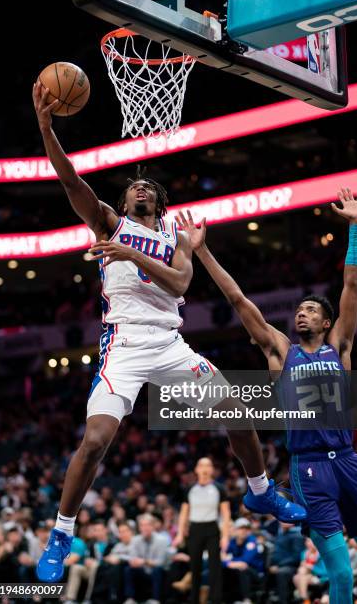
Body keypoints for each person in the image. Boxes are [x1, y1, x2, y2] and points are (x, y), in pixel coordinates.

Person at [32, 81, 306, 583]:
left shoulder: (176, 238)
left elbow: (181, 281)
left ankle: (262, 490)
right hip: (125, 344)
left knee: (236, 411)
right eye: (134, 187)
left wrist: (134, 255)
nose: (141, 188)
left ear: (159, 201)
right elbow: (72, 183)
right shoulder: (109, 224)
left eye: (149, 188)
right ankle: (61, 533)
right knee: (95, 441)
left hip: (170, 342)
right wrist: (48, 129)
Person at [177, 189, 357, 604]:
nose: (301, 313)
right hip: (310, 469)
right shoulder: (280, 351)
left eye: (311, 311)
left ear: (327, 321)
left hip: (349, 462)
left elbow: (351, 282)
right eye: (299, 310)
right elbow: (238, 299)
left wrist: (356, 226)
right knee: (343, 576)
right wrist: (202, 252)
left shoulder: (340, 347)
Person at [173, 457, 230, 604]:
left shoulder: (219, 488)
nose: (204, 469)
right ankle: (194, 600)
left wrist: (225, 536)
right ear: (196, 470)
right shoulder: (190, 489)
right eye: (201, 466)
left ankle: (216, 600)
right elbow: (184, 513)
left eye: (208, 465)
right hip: (195, 529)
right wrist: (180, 533)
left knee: (214, 568)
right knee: (195, 567)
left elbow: (226, 514)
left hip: (212, 529)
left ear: (212, 470)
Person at [122, 513, 169, 604]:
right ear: (139, 528)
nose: (145, 528)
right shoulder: (135, 540)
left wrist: (144, 561)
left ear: (153, 526)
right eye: (142, 525)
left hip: (157, 571)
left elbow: (161, 563)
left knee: (157, 569)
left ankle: (155, 600)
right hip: (142, 571)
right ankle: (130, 599)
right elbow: (133, 559)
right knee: (128, 569)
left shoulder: (162, 540)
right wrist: (134, 562)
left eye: (147, 525)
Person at [222, 517, 264, 604]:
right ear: (235, 530)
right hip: (237, 570)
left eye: (246, 528)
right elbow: (221, 558)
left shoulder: (252, 541)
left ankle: (247, 600)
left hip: (255, 572)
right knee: (224, 570)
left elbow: (245, 561)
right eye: (241, 528)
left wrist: (229, 561)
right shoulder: (232, 541)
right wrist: (228, 563)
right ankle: (225, 599)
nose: (244, 531)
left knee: (243, 569)